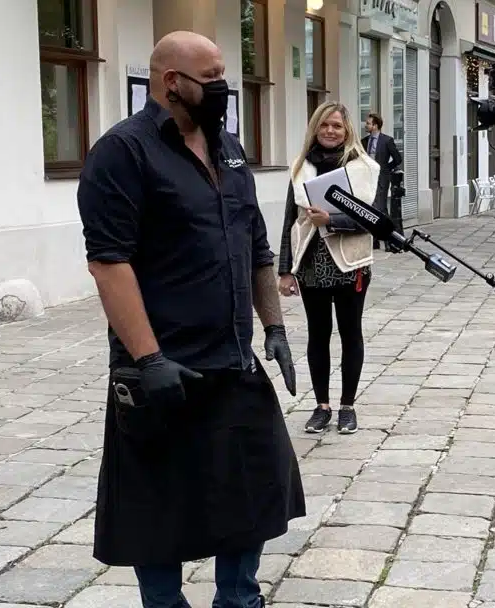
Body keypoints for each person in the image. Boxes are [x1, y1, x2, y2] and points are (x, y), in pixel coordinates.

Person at [77, 31, 305, 608]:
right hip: (163, 368)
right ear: (170, 83)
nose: (223, 87)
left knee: (253, 497)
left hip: (232, 361)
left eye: (224, 74)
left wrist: (273, 328)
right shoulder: (122, 153)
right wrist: (148, 358)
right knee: (157, 512)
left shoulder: (229, 149)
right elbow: (109, 264)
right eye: (211, 77)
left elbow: (256, 246)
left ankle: (239, 600)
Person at [277, 101, 379, 435]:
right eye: (324, 125)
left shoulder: (363, 166)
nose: (330, 131)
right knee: (317, 335)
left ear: (347, 129)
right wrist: (284, 269)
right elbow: (290, 220)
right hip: (310, 261)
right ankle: (321, 406)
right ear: (315, 129)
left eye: (336, 125)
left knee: (351, 334)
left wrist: (331, 219)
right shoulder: (300, 167)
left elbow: (373, 220)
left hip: (350, 263)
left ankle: (347, 406)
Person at [362, 112, 402, 248]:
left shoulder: (387, 141)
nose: (365, 125)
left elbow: (398, 159)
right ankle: (374, 241)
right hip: (367, 178)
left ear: (375, 125)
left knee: (381, 207)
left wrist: (384, 168)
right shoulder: (364, 141)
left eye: (368, 123)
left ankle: (391, 239)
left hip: (381, 178)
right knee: (370, 206)